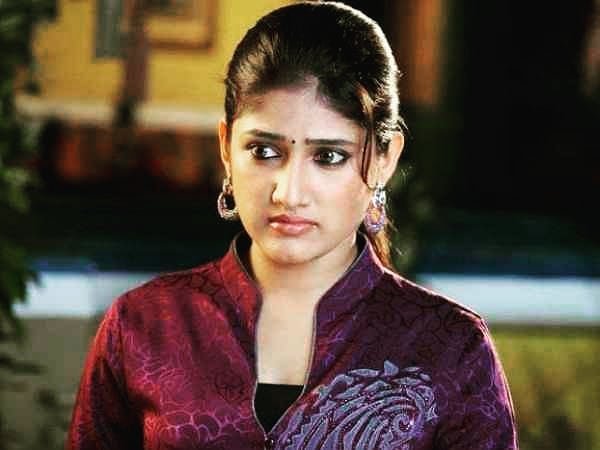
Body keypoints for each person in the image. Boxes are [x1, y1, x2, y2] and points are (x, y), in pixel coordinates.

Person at [67, 2, 518, 449]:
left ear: (384, 159)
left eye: (329, 156)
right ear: (226, 147)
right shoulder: (144, 324)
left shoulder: (450, 346)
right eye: (264, 152)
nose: (289, 192)